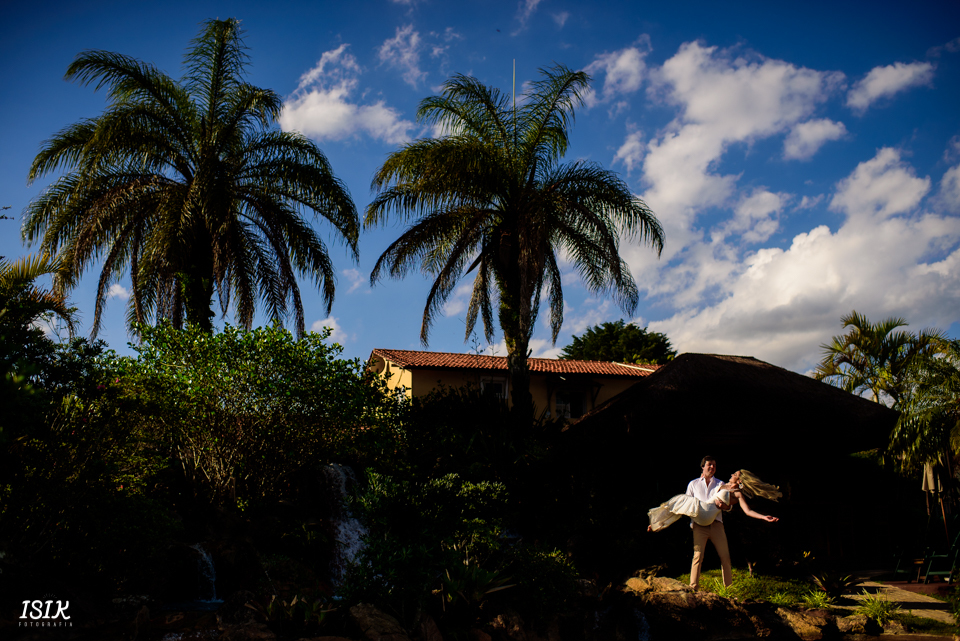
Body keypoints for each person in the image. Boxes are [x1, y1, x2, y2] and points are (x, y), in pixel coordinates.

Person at [649, 457, 781, 589]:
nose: (731, 474)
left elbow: (746, 510)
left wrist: (763, 517)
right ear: (703, 467)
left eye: (734, 474)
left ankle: (728, 589)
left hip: (714, 521)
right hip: (700, 516)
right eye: (709, 465)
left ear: (740, 480)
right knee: (680, 506)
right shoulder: (697, 484)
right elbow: (706, 502)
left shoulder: (725, 487)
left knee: (725, 556)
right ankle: (693, 587)